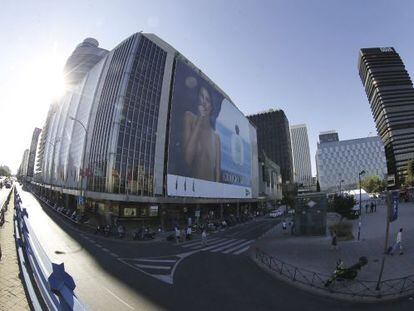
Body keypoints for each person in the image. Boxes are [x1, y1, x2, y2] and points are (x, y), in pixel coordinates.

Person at [182, 85, 221, 182]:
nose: (203, 102)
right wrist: (200, 120)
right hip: (193, 189)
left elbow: (217, 171)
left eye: (207, 100)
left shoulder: (216, 137)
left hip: (211, 191)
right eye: (201, 96)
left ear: (211, 107)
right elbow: (188, 160)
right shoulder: (189, 117)